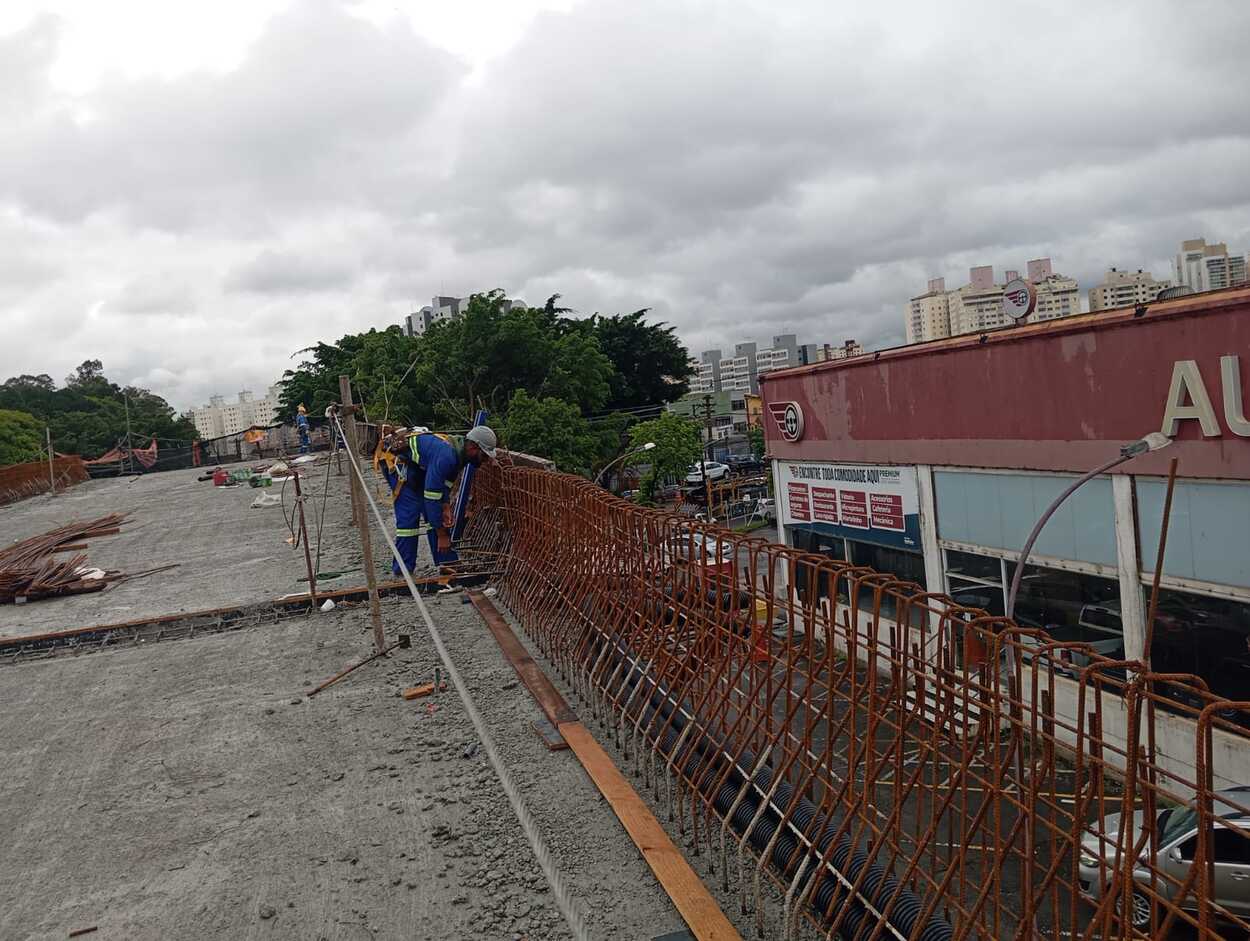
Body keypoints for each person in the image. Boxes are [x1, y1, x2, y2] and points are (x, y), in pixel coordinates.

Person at [376, 424, 497, 574]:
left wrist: (445, 506)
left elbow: (443, 486)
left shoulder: (460, 456)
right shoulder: (447, 456)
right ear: (473, 447)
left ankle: (447, 563)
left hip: (414, 465)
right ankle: (403, 570)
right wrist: (442, 534)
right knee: (410, 517)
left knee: (434, 512)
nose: (485, 460)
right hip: (397, 461)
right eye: (484, 455)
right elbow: (431, 497)